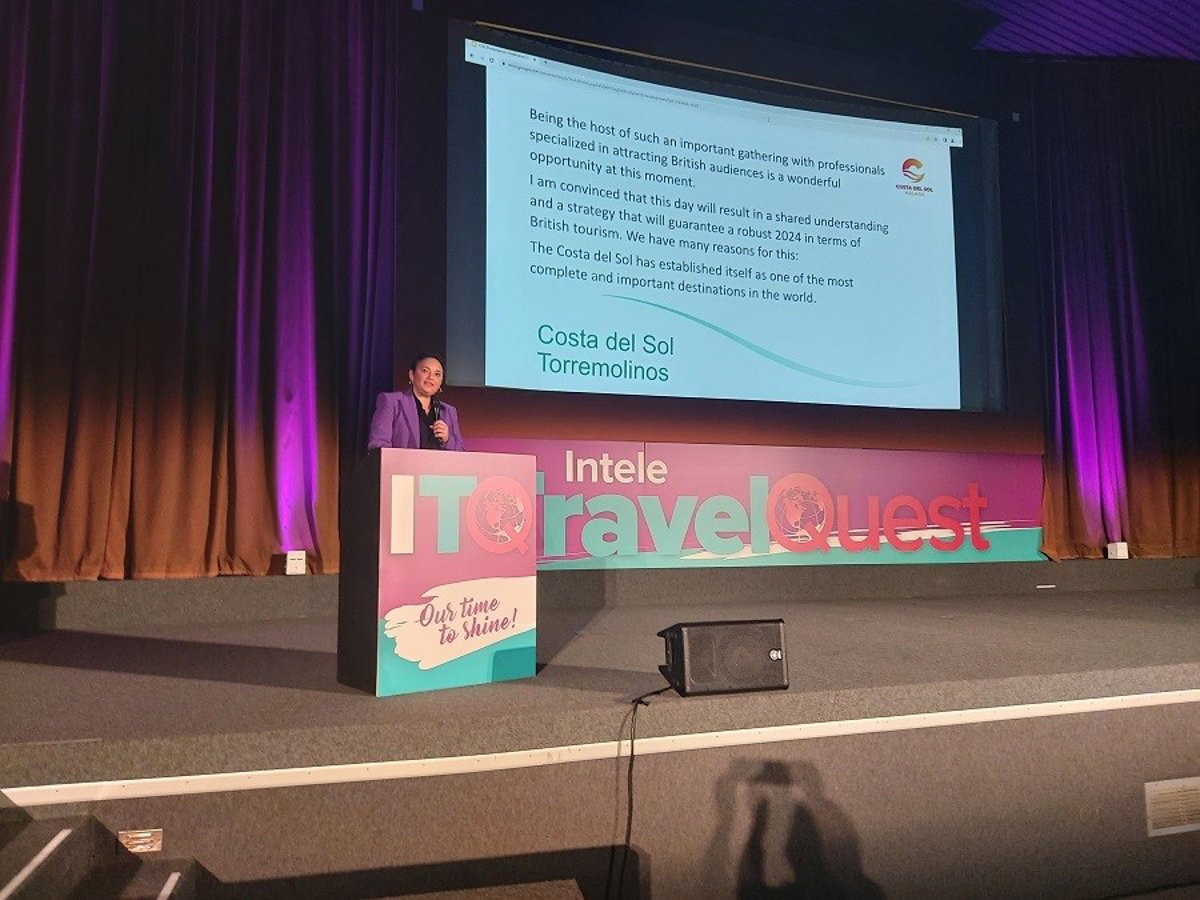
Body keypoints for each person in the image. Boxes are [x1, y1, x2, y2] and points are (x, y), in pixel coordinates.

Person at [367, 353, 466, 451]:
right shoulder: (392, 402)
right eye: (425, 371)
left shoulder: (449, 411)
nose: (431, 377)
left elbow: (461, 452)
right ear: (412, 375)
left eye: (437, 374)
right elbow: (378, 445)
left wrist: (447, 439)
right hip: (402, 462)